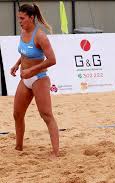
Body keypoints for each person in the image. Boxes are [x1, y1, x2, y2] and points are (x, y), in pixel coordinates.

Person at [10, 3, 59, 157]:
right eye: (19, 18)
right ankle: (19, 147)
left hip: (39, 78)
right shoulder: (23, 31)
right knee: (17, 114)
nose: (20, 21)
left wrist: (31, 70)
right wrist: (17, 64)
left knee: (46, 115)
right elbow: (25, 53)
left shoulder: (40, 36)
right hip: (25, 78)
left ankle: (56, 152)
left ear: (31, 18)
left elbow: (52, 60)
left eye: (22, 18)